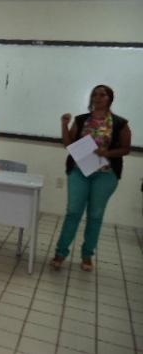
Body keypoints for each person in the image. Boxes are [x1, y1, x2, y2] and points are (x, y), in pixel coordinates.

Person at [52, 85, 131, 272]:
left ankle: (87, 255)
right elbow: (68, 144)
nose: (98, 97)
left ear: (110, 98)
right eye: (95, 94)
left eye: (102, 94)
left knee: (95, 215)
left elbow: (126, 149)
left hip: (105, 175)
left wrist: (107, 152)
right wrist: (64, 124)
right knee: (73, 212)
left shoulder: (120, 123)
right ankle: (61, 252)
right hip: (79, 171)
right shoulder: (81, 120)